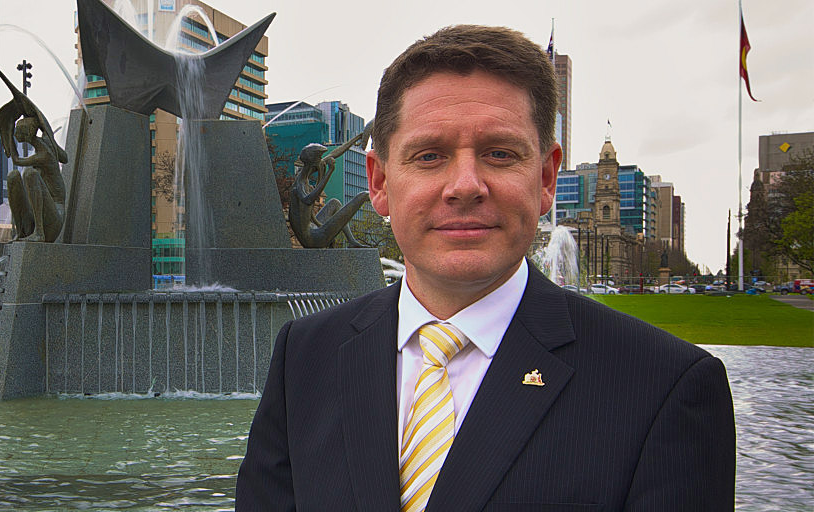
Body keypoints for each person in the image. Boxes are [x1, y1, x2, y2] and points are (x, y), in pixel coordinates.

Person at [235, 25, 734, 511]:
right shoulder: (305, 356)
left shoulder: (665, 387)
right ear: (380, 182)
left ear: (545, 178)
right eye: (429, 156)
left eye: (499, 154)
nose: (465, 186)